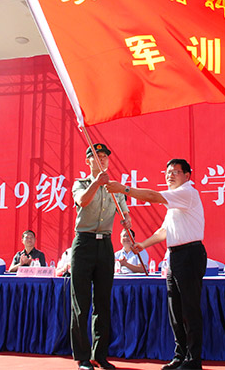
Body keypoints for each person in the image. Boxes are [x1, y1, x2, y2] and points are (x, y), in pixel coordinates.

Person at [107, 158, 206, 370]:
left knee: (189, 309)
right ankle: (180, 356)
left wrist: (124, 189)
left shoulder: (187, 192)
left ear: (187, 176)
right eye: (168, 172)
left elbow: (153, 196)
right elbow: (164, 231)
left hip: (190, 255)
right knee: (175, 310)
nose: (170, 175)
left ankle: (193, 360)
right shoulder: (174, 203)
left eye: (175, 172)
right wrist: (143, 244)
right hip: (175, 256)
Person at [70, 143, 130, 370]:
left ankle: (100, 355)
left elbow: (125, 211)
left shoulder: (115, 187)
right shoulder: (81, 184)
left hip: (105, 244)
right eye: (97, 156)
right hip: (84, 244)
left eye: (105, 156)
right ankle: (83, 357)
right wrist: (97, 183)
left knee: (103, 303)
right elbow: (82, 201)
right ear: (88, 161)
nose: (102, 159)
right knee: (81, 303)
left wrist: (127, 220)